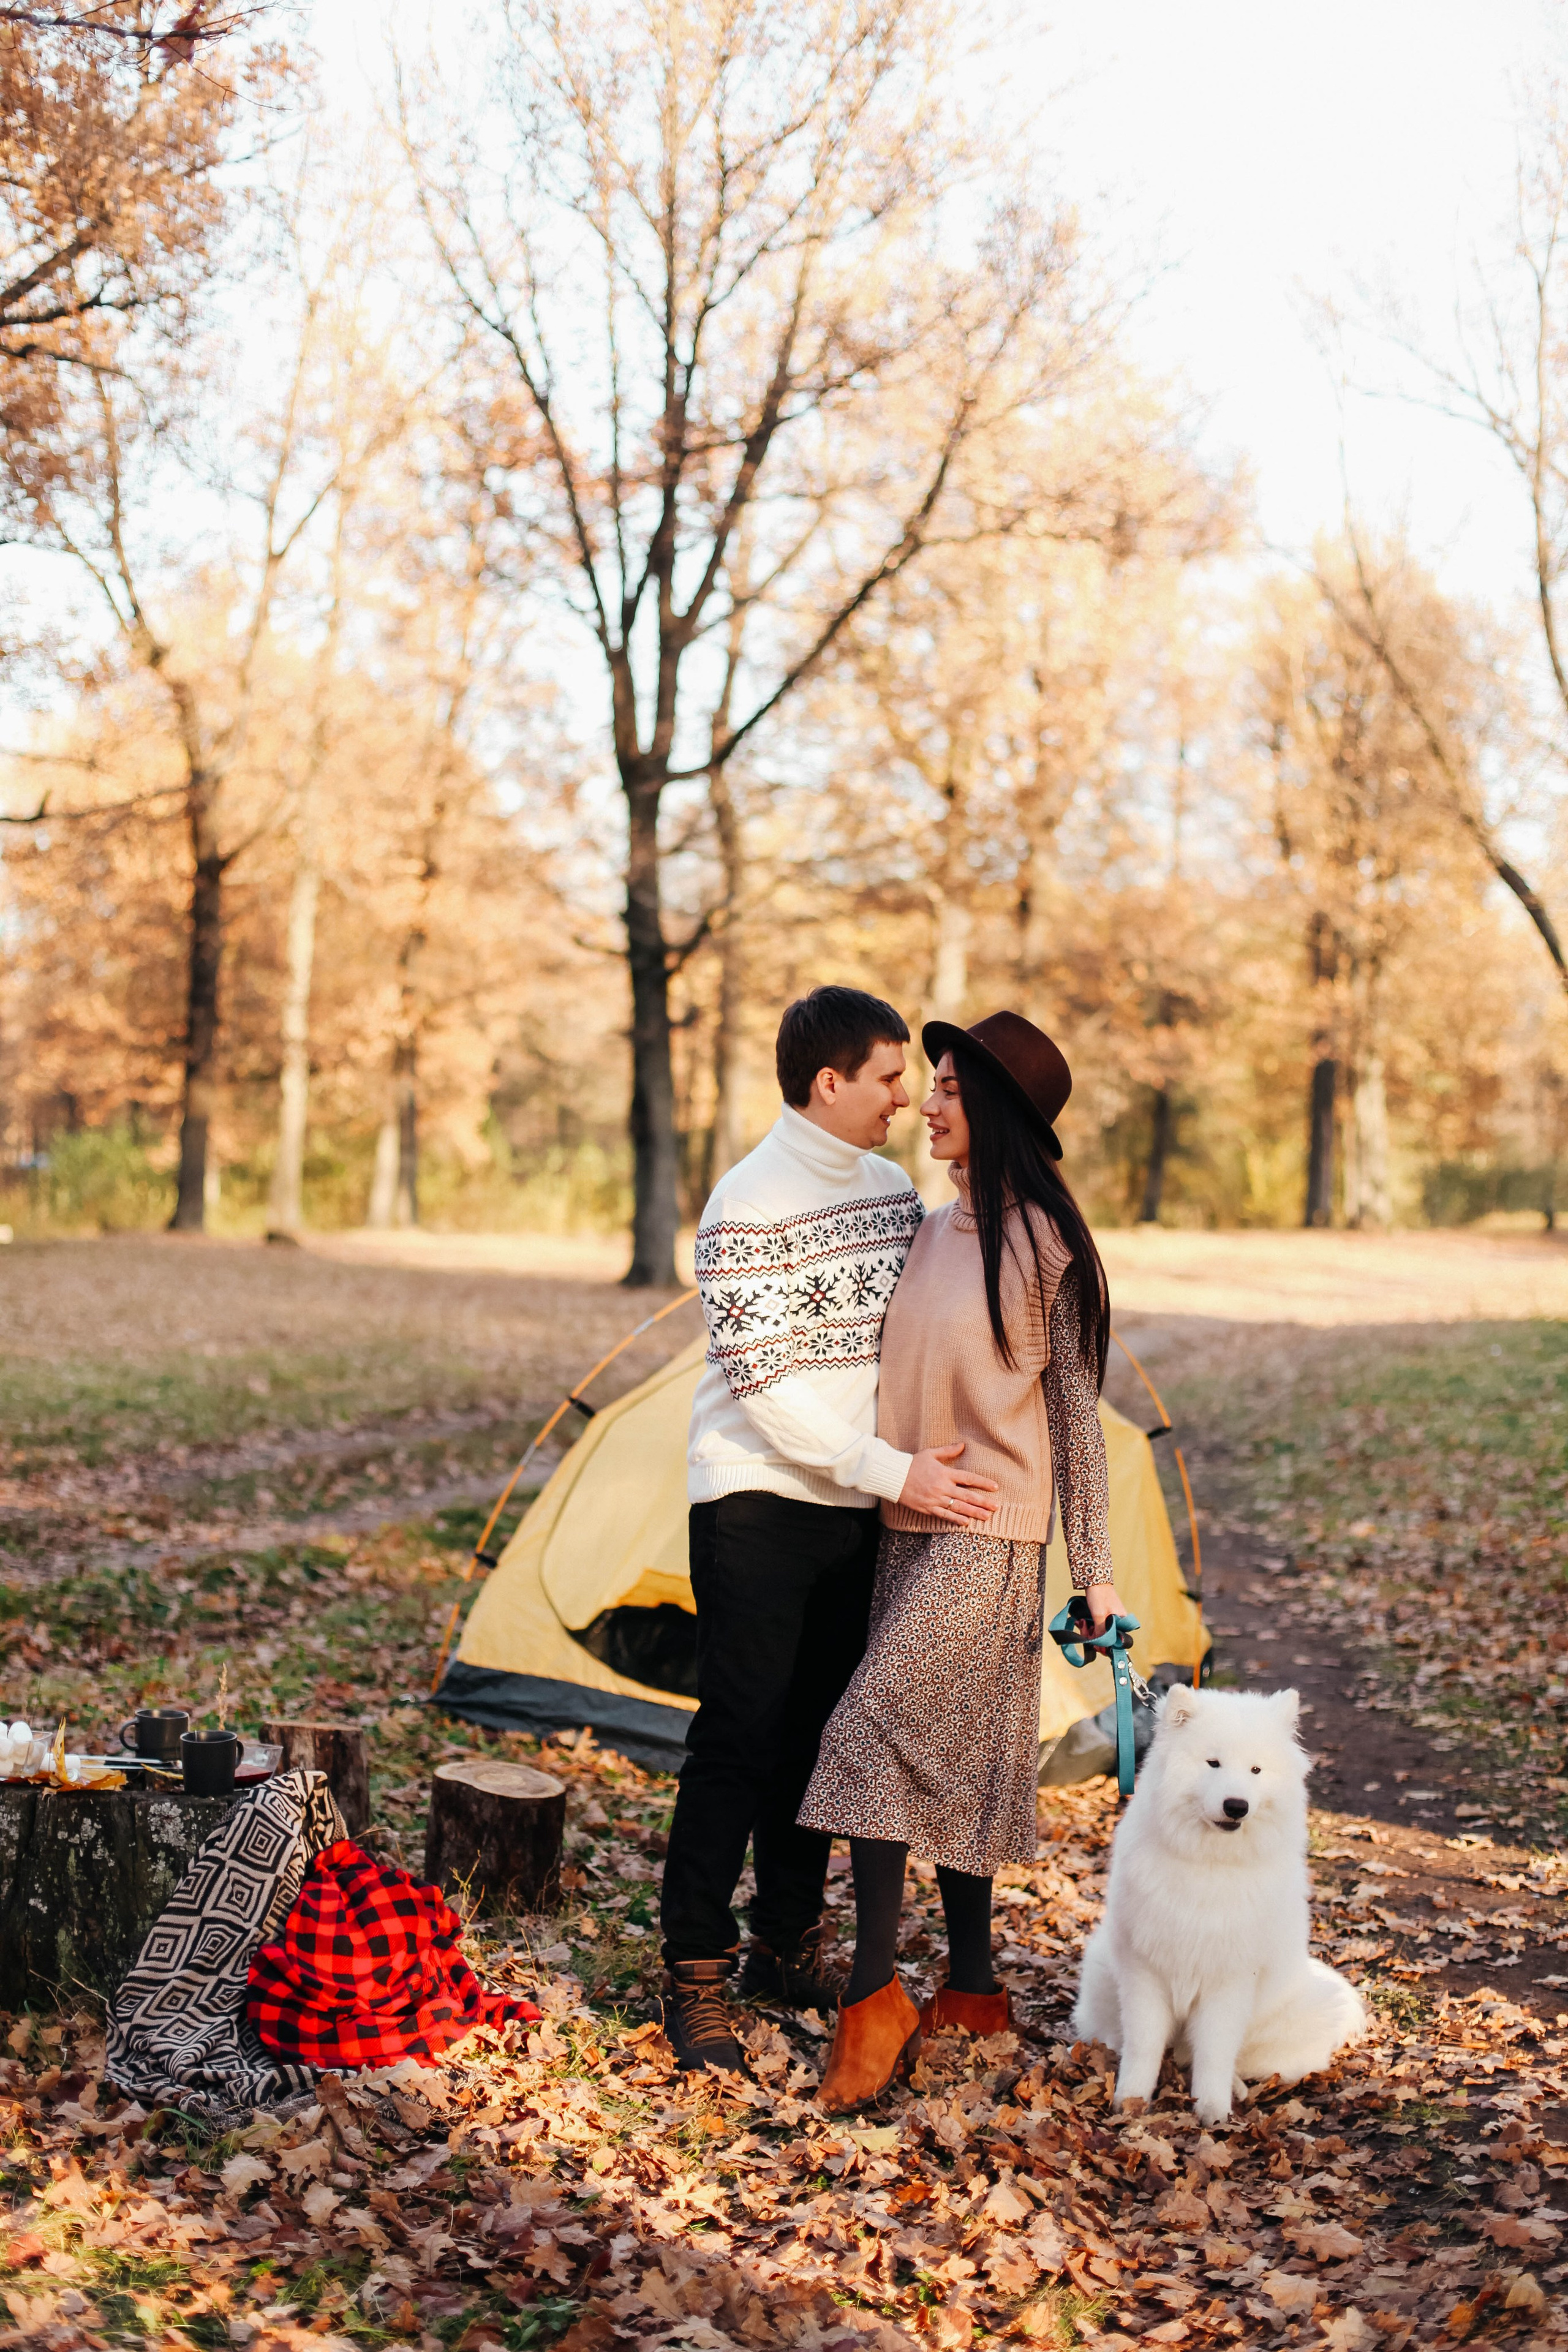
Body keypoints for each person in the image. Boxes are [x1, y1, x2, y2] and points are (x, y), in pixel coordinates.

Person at [660, 986, 1002, 2073]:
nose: (906, 1099)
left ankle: (786, 1943)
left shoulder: (892, 1189)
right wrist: (891, 1467)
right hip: (757, 1497)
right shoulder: (741, 1206)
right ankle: (694, 1972)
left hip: (863, 1508)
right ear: (829, 1083)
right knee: (739, 1738)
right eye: (893, 1079)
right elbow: (766, 1389)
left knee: (820, 1744)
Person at [798, 1009, 1126, 2109]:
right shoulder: (932, 1228)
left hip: (992, 1536)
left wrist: (1099, 1574)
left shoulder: (1049, 1247)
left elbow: (1078, 1422)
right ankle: (976, 1989)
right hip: (907, 1528)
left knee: (874, 1728)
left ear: (992, 1110)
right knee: (965, 1760)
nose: (926, 1104)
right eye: (926, 1085)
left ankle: (872, 1991)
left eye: (944, 1089)